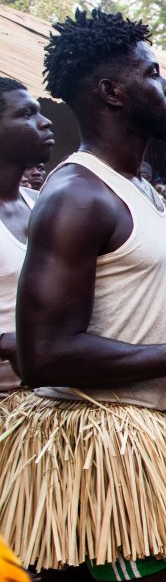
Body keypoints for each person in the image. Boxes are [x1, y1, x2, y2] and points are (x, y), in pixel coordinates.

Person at [0, 7, 166, 580]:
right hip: (101, 458)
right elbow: (44, 356)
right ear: (112, 92)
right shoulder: (78, 197)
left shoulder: (137, 189)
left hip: (145, 448)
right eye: (152, 74)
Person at [0, 77, 53, 397]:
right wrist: (6, 343)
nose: (45, 122)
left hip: (45, 395)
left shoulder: (41, 204)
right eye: (27, 114)